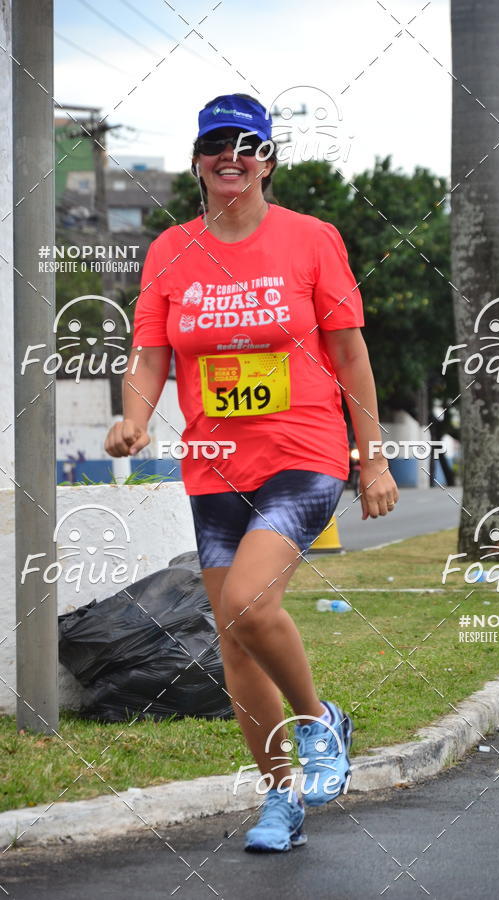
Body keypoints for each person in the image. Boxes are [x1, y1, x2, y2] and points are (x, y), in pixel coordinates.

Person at [105, 93, 399, 853]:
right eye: (214, 146)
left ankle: (321, 723)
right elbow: (150, 353)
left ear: (268, 158)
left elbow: (350, 355)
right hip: (213, 466)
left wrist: (373, 458)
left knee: (247, 603)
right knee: (235, 642)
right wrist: (135, 416)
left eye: (246, 145)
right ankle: (280, 801)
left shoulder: (311, 239)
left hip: (303, 452)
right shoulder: (170, 249)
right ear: (198, 160)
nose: (229, 158)